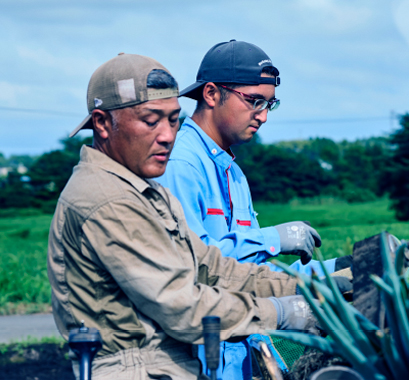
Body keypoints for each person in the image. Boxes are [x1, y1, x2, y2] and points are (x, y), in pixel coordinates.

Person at [47, 53, 325, 380]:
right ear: (102, 124)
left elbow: (213, 269)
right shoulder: (107, 200)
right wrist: (282, 312)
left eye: (173, 119)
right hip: (137, 368)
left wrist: (312, 286)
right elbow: (183, 306)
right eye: (151, 120)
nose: (167, 135)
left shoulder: (147, 193)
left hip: (172, 363)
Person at [156, 40, 353, 379]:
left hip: (240, 351)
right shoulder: (180, 164)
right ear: (212, 94)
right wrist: (273, 239)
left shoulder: (233, 172)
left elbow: (251, 276)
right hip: (200, 357)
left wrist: (340, 270)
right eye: (254, 101)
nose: (262, 115)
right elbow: (194, 267)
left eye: (270, 104)